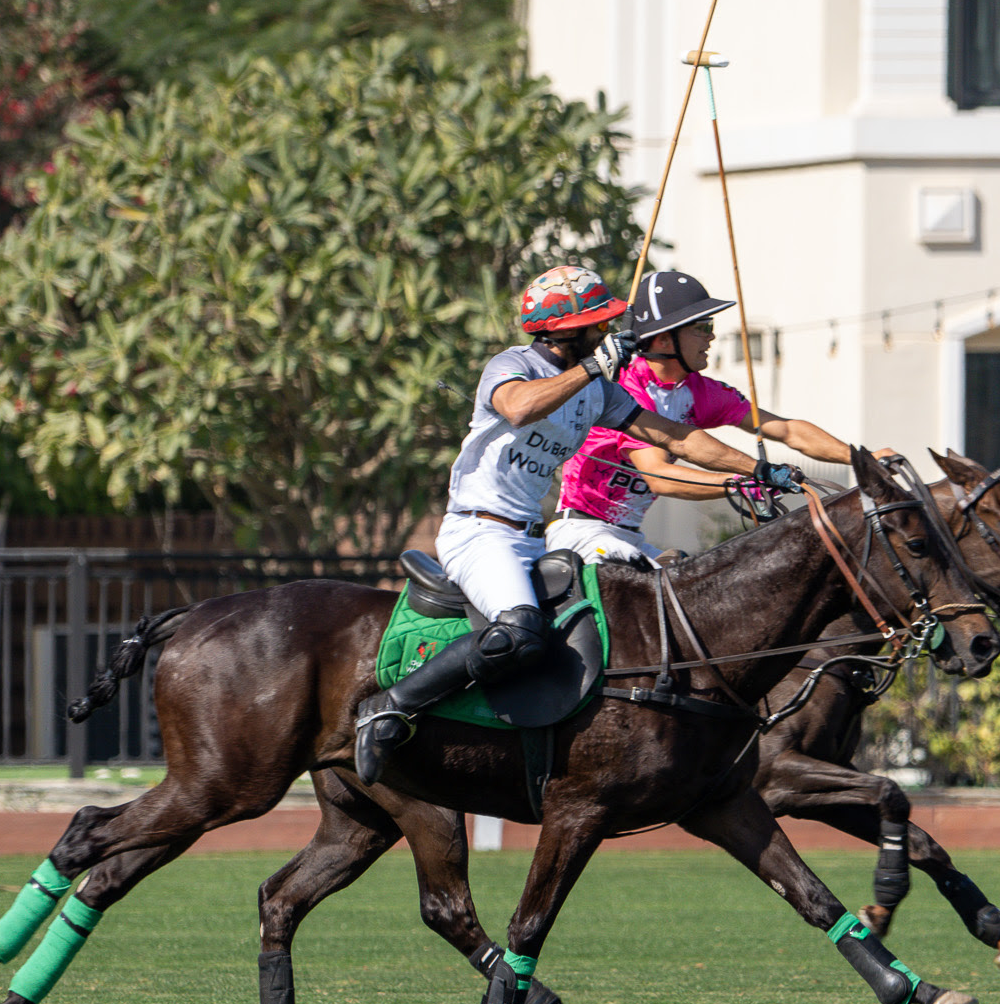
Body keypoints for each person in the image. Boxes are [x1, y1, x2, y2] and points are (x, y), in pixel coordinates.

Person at [354, 264, 805, 782]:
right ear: (568, 329)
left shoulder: (599, 392)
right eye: (598, 325)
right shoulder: (512, 365)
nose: (606, 334)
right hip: (478, 531)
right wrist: (593, 369)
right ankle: (389, 709)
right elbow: (521, 408)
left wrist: (760, 469)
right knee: (520, 631)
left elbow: (676, 438)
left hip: (532, 539)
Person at [550, 270, 857, 566]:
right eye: (702, 326)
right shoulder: (627, 387)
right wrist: (740, 484)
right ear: (663, 340)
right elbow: (657, 476)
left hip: (630, 536)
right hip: (582, 533)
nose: (711, 337)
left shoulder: (698, 391)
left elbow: (787, 430)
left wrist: (859, 459)